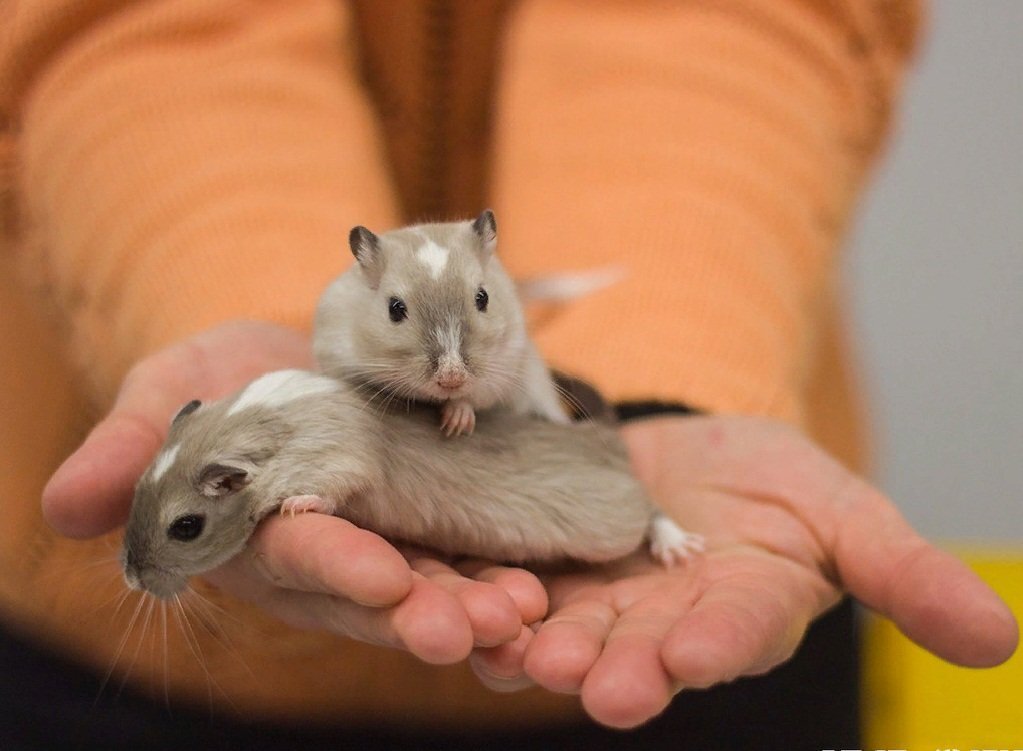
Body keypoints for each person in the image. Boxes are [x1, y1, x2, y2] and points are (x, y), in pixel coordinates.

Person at [0, 0, 1016, 747]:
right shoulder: (316, 376)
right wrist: (231, 295)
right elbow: (121, 26)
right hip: (114, 674)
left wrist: (661, 374)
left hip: (698, 661)